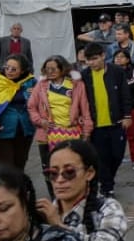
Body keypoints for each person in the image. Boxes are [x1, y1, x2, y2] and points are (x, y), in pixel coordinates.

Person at [27, 55, 93, 192]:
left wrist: (87, 132)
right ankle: (55, 198)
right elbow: (31, 107)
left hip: (72, 132)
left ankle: (75, 194)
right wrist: (40, 121)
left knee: (72, 167)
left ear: (63, 69)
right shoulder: (41, 86)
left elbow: (85, 109)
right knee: (50, 169)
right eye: (47, 69)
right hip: (47, 134)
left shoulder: (76, 85)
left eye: (53, 69)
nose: (50, 72)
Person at [80, 42, 132, 197]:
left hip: (116, 121)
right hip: (96, 124)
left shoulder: (116, 71)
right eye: (89, 60)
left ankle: (107, 180)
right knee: (101, 158)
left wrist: (127, 115)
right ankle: (107, 187)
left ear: (103, 56)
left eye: (95, 58)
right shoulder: (84, 75)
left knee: (117, 155)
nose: (92, 63)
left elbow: (125, 94)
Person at [0, 54, 36, 171]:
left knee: (20, 165)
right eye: (7, 67)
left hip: (25, 129)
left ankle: (19, 183)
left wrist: (36, 94)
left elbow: (42, 101)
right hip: (2, 129)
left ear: (22, 70)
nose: (9, 71)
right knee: (6, 167)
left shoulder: (31, 82)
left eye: (13, 69)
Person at [113, 49, 134, 171]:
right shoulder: (109, 71)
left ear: (127, 59)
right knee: (116, 136)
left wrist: (117, 87)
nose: (118, 59)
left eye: (121, 56)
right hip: (116, 109)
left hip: (132, 107)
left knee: (133, 135)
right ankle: (117, 159)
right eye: (116, 57)